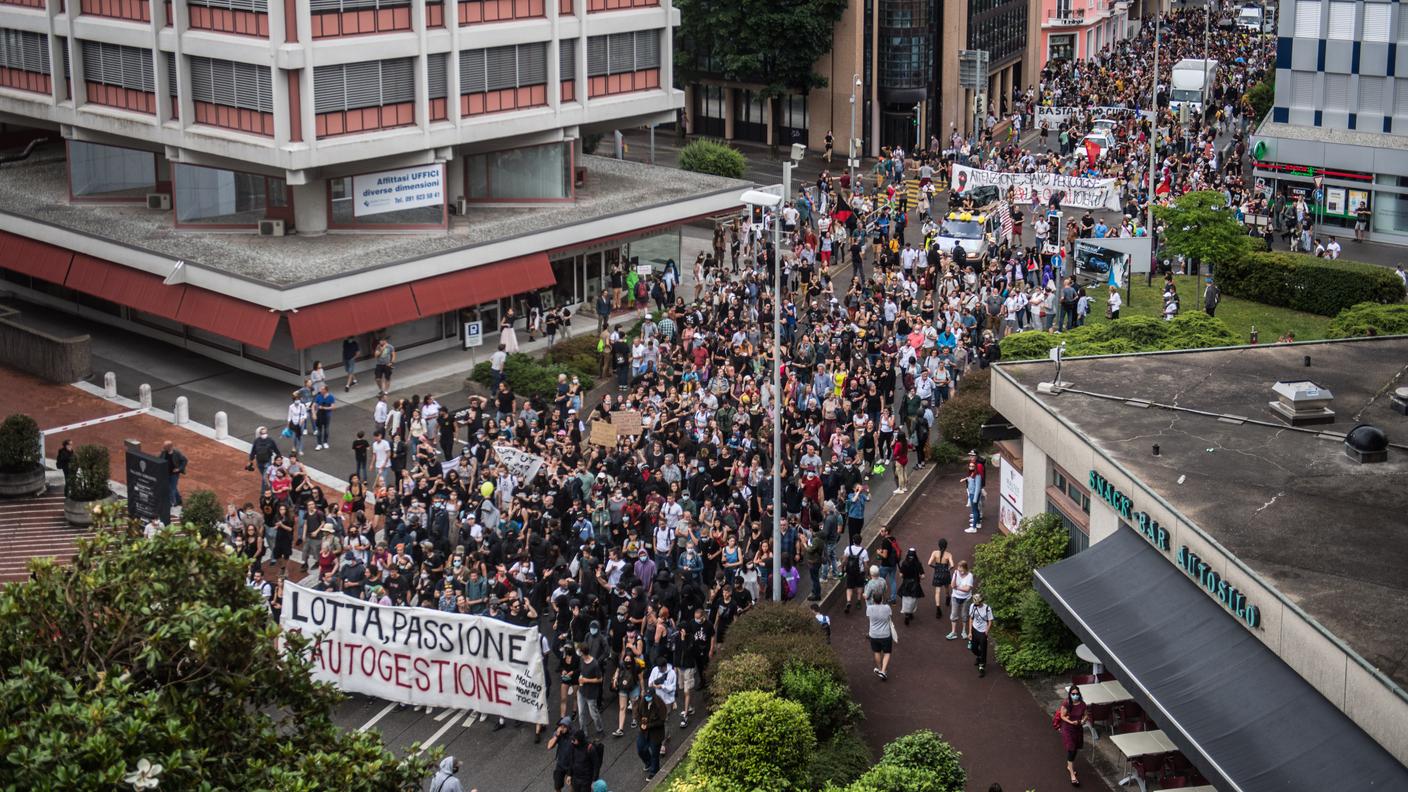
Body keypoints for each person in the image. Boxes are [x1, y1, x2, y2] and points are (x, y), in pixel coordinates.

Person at [1057, 685, 1090, 786]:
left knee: (1075, 749)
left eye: (1077, 694)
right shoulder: (1066, 703)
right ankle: (1072, 774)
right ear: (1070, 694)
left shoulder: (1083, 704)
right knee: (1071, 749)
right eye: (1073, 694)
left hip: (1078, 729)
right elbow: (1062, 716)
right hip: (1068, 729)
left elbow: (1086, 715)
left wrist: (1083, 721)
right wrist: (1071, 722)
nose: (1075, 696)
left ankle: (1069, 765)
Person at [634, 684, 668, 780]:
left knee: (655, 753)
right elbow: (637, 714)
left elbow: (661, 721)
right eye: (646, 696)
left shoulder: (660, 705)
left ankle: (654, 771)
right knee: (640, 748)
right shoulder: (642, 702)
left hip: (655, 733)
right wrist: (641, 723)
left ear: (653, 696)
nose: (647, 698)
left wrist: (648, 725)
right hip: (644, 731)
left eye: (649, 696)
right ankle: (648, 763)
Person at [865, 592, 894, 680]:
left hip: (873, 634)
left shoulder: (869, 608)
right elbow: (889, 617)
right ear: (882, 599)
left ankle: (880, 668)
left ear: (873, 599)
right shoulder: (887, 608)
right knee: (887, 653)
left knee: (877, 652)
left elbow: (869, 618)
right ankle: (883, 671)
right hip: (885, 634)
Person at [967, 591, 993, 677]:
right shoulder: (973, 606)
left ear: (981, 602)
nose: (976, 605)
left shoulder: (987, 608)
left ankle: (982, 667)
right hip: (975, 629)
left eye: (978, 604)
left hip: (983, 632)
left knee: (983, 649)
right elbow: (971, 619)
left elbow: (990, 621)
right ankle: (979, 656)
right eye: (975, 604)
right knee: (973, 648)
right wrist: (970, 632)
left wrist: (987, 631)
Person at [927, 537, 954, 620]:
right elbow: (952, 565)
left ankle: (938, 608)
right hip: (945, 573)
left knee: (937, 591)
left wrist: (935, 567)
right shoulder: (948, 555)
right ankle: (947, 597)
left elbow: (929, 563)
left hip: (937, 573)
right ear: (946, 546)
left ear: (938, 545)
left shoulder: (935, 553)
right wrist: (948, 569)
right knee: (946, 587)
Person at [947, 560, 974, 640]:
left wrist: (957, 587)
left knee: (964, 615)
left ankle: (964, 631)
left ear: (966, 569)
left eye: (962, 570)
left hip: (966, 598)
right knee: (953, 614)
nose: (960, 572)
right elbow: (952, 585)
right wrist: (955, 575)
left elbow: (967, 589)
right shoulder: (956, 573)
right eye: (959, 570)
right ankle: (953, 632)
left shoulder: (970, 576)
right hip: (955, 596)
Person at [841, 534, 868, 614]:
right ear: (861, 541)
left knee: (849, 587)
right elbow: (865, 565)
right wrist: (867, 574)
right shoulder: (864, 551)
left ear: (853, 540)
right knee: (860, 586)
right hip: (860, 572)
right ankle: (859, 601)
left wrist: (842, 569)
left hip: (850, 572)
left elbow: (844, 561)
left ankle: (849, 601)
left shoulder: (848, 549)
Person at [897, 547, 924, 625]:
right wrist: (919, 577)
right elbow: (923, 576)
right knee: (913, 600)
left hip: (906, 584)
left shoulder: (904, 563)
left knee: (905, 599)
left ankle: (906, 614)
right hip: (915, 584)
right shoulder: (918, 563)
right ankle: (911, 612)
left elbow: (901, 575)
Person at [162, 440, 188, 509]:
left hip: (174, 474)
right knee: (173, 487)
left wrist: (179, 469)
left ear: (169, 447)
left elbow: (185, 460)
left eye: (165, 446)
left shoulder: (177, 453)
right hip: (166, 473)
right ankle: (179, 500)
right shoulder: (163, 452)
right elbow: (159, 459)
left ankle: (173, 502)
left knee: (171, 489)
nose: (163, 447)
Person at [963, 460, 983, 533]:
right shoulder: (971, 474)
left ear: (975, 467)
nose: (971, 467)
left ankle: (973, 527)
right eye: (970, 466)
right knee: (976, 509)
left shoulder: (977, 475)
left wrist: (975, 498)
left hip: (974, 495)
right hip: (971, 494)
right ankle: (977, 523)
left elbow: (977, 487)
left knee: (974, 510)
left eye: (973, 466)